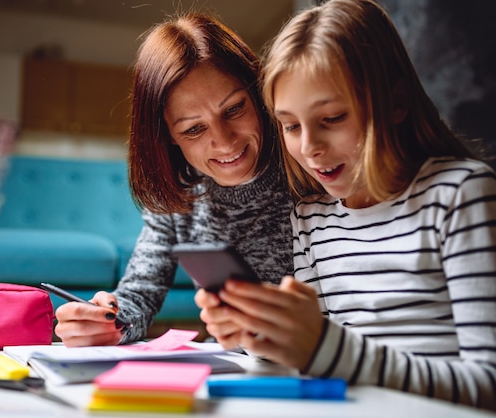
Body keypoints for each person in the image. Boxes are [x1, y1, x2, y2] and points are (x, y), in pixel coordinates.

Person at [195, 0, 496, 411]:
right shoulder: (312, 218)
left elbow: (487, 382)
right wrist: (258, 334)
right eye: (290, 125)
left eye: (332, 118)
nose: (310, 147)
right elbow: (314, 361)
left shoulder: (459, 196)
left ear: (396, 102)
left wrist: (326, 346)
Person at [54, 12, 294, 347]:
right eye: (194, 129)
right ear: (168, 136)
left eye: (234, 109)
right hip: (236, 370)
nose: (224, 142)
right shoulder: (180, 194)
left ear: (259, 92)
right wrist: (105, 321)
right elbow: (139, 296)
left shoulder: (309, 164)